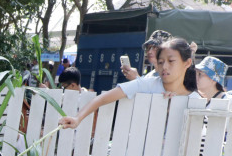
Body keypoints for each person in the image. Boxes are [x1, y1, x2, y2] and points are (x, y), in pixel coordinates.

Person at [59, 37, 198, 130]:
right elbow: (102, 98)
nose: (165, 66)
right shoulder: (145, 84)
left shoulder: (195, 100)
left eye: (171, 61)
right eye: (161, 62)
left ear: (187, 63)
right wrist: (77, 118)